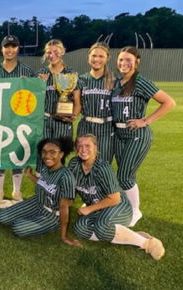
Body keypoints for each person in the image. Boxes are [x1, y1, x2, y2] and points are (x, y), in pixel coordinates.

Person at [68, 134, 165, 260]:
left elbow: (114, 198)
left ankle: (147, 243)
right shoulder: (74, 164)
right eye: (79, 146)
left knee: (102, 227)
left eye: (88, 146)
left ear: (95, 147)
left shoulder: (102, 168)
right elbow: (70, 188)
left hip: (119, 206)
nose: (83, 149)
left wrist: (89, 209)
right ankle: (127, 234)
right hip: (99, 208)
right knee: (80, 229)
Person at [112, 46, 176, 227]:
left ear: (137, 62)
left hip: (136, 134)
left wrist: (145, 120)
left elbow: (169, 102)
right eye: (121, 60)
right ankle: (124, 207)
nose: (124, 63)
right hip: (119, 133)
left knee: (125, 176)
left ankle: (135, 211)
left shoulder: (140, 82)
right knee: (123, 175)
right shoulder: (117, 81)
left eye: (128, 60)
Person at [0, 138, 81, 247]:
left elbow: (64, 208)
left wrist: (64, 237)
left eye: (52, 152)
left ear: (61, 154)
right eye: (44, 152)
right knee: (1, 217)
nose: (47, 156)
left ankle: (53, 225)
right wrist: (30, 175)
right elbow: (43, 183)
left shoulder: (66, 177)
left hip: (52, 214)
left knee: (18, 228)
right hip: (37, 202)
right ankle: (27, 215)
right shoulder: (47, 168)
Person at [0, 35, 33, 206]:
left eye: (13, 46)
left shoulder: (27, 72)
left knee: (17, 155)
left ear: (18, 49)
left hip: (18, 120)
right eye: (7, 46)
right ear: (2, 49)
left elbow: (33, 95)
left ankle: (16, 190)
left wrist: (32, 83)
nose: (10, 49)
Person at [35, 39, 81, 174]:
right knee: (42, 158)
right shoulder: (40, 74)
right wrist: (36, 83)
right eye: (48, 52)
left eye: (56, 51)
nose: (52, 55)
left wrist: (73, 116)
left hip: (63, 122)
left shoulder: (71, 74)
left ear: (63, 52)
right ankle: (41, 193)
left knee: (59, 159)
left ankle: (57, 194)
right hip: (43, 121)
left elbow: (77, 102)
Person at [76, 42, 115, 164]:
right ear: (88, 57)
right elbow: (75, 104)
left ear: (108, 58)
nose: (96, 59)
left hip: (106, 128)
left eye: (101, 56)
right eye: (93, 56)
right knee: (84, 163)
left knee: (103, 164)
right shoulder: (80, 80)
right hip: (85, 126)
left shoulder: (115, 80)